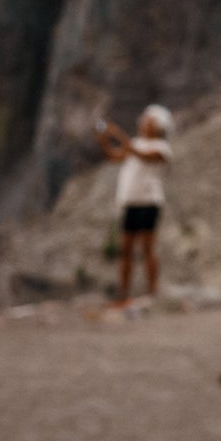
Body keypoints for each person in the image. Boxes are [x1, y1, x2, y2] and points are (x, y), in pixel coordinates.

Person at [97, 104, 175, 303]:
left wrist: (118, 134)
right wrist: (105, 139)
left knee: (147, 248)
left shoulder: (161, 148)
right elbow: (115, 156)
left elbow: (139, 154)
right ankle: (124, 293)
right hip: (131, 202)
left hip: (149, 203)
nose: (143, 123)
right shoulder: (136, 143)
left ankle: (152, 290)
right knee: (126, 248)